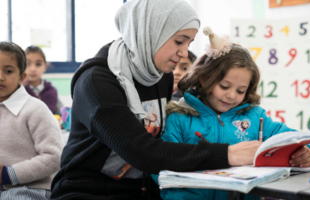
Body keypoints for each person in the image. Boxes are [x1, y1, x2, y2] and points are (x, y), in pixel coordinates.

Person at [50, 1, 264, 199]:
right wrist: (227, 154)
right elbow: (142, 151)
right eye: (179, 41)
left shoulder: (161, 74)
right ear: (150, 32)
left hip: (142, 188)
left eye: (189, 43)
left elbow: (161, 141)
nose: (183, 53)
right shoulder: (97, 81)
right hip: (89, 190)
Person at [151, 27, 310, 200]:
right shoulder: (180, 118)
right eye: (224, 87)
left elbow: (292, 138)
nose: (231, 95)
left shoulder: (256, 117)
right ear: (204, 79)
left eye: (241, 91)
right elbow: (159, 164)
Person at [0, 41, 63, 200]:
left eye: (8, 71)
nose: (0, 77)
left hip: (30, 188)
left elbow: (54, 157)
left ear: (21, 77)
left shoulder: (35, 109)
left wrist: (9, 174)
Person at [24, 45, 63, 115]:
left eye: (38, 64)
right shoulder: (19, 91)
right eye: (28, 64)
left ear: (45, 67)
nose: (33, 69)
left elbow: (62, 115)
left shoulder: (52, 91)